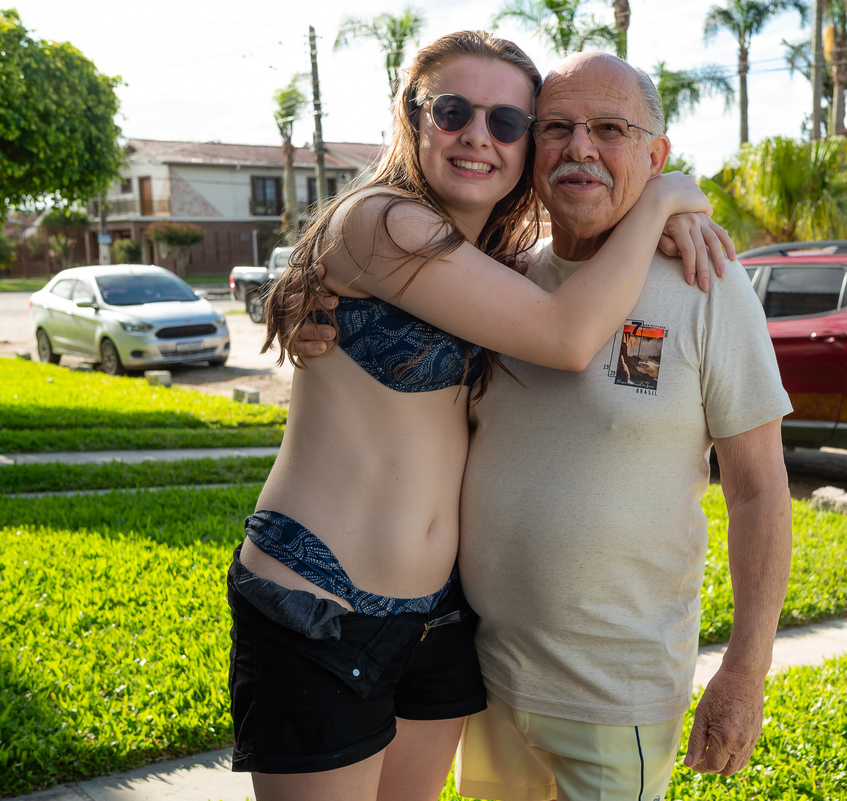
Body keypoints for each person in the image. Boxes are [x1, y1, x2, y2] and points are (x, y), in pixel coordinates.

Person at [226, 31, 717, 801]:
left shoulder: (492, 256)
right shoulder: (380, 221)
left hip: (440, 619)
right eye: (453, 111)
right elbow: (567, 335)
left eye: (508, 122)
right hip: (319, 602)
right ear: (413, 116)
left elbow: (578, 265)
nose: (478, 136)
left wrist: (662, 214)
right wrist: (663, 197)